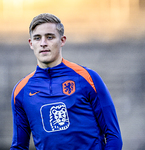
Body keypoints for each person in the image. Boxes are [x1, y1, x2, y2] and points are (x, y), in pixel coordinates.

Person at [10, 13, 123, 150]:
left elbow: (113, 136)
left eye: (50, 37)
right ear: (31, 43)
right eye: (37, 38)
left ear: (62, 40)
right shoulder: (21, 91)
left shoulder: (88, 78)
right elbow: (19, 146)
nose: (43, 43)